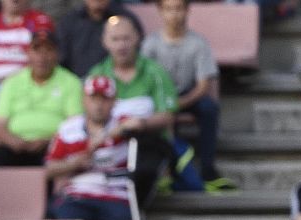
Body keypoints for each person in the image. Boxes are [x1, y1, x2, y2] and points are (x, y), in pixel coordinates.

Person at [45, 74, 148, 220]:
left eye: (104, 99)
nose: (99, 105)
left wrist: (109, 134)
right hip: (78, 193)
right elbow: (49, 169)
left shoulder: (121, 122)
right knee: (65, 216)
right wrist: (74, 163)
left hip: (114, 192)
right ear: (84, 100)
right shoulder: (68, 128)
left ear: (113, 101)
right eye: (94, 98)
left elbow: (139, 123)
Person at [83, 12, 175, 205]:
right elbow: (86, 115)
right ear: (105, 42)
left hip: (147, 142)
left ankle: (135, 215)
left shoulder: (154, 72)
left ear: (137, 38)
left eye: (126, 38)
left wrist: (142, 123)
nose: (121, 45)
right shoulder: (97, 73)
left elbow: (167, 115)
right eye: (115, 39)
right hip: (106, 143)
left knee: (141, 173)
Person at [141, 0, 227, 190]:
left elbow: (204, 85)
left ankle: (207, 168)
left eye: (179, 8)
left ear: (187, 10)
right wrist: (165, 105)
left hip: (187, 96)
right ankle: (165, 169)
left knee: (209, 108)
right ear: (160, 12)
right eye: (169, 9)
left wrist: (179, 103)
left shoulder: (198, 42)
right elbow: (146, 83)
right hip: (160, 98)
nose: (174, 14)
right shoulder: (150, 44)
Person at [0, 29, 78, 169]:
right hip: (15, 145)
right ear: (28, 53)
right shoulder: (12, 82)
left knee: (58, 165)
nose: (42, 57)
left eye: (48, 50)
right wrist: (14, 142)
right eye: (37, 50)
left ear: (57, 54)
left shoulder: (71, 82)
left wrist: (49, 141)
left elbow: (75, 125)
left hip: (54, 146)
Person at [57, 0, 126, 79]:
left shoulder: (124, 20)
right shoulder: (69, 22)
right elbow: (61, 60)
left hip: (116, 83)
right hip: (76, 83)